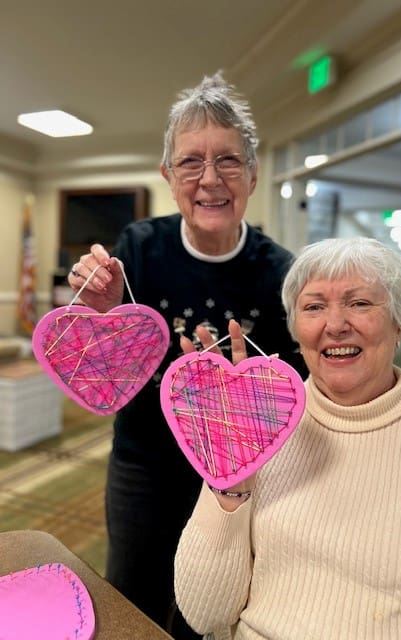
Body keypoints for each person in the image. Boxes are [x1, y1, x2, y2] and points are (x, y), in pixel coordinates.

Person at [66, 72, 306, 638]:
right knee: (132, 595)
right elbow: (106, 368)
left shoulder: (283, 273)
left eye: (227, 160)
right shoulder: (139, 249)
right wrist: (97, 313)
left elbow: (297, 392)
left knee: (213, 605)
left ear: (252, 172)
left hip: (237, 475)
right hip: (144, 458)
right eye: (190, 162)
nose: (209, 179)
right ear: (168, 176)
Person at [174, 236, 401, 640]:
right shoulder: (257, 427)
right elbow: (205, 614)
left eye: (359, 304)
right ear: (296, 330)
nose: (335, 326)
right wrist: (229, 483)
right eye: (314, 307)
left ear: (400, 322)